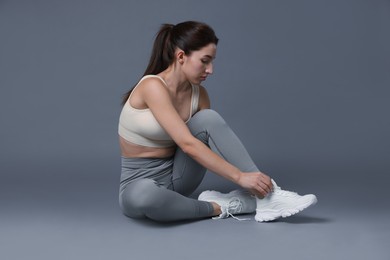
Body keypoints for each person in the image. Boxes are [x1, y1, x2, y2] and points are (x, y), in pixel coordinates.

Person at [118, 21, 317, 223]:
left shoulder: (199, 95)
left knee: (208, 118)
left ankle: (267, 195)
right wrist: (239, 177)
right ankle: (221, 206)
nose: (210, 69)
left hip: (179, 178)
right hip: (138, 184)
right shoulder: (152, 86)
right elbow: (187, 144)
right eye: (205, 61)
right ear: (180, 56)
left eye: (212, 61)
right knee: (147, 198)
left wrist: (248, 178)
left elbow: (207, 145)